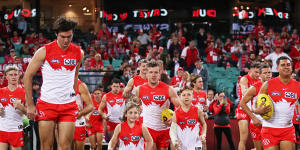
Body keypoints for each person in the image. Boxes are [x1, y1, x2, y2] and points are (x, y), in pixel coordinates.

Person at [24, 18, 84, 150]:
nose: (66, 40)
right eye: (63, 37)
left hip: (68, 106)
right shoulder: (44, 51)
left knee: (66, 147)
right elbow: (27, 76)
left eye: (69, 36)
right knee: (46, 146)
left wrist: (73, 95)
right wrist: (29, 105)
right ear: (56, 34)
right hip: (47, 104)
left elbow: (75, 75)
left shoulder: (79, 53)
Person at [136, 60, 181, 150]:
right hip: (148, 128)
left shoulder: (168, 89)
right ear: (147, 73)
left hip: (164, 129)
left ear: (160, 73)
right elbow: (135, 108)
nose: (153, 75)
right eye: (151, 72)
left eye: (156, 72)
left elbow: (181, 107)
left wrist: (174, 117)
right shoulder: (139, 89)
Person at [257, 56, 300, 149]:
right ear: (277, 68)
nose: (286, 67)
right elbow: (256, 106)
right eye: (283, 65)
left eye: (288, 65)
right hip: (269, 130)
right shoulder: (268, 84)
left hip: (287, 130)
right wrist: (257, 110)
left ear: (292, 67)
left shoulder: (298, 86)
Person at [240, 64, 272, 150]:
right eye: (265, 73)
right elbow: (242, 103)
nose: (268, 74)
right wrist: (254, 118)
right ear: (260, 75)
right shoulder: (255, 87)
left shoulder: (275, 85)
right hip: (258, 123)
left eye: (269, 72)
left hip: (271, 123)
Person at [169, 86, 207, 150]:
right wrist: (175, 141)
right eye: (183, 95)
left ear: (192, 96)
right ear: (180, 97)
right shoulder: (176, 113)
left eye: (189, 95)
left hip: (196, 144)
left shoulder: (198, 111)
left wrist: (203, 135)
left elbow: (204, 124)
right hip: (182, 145)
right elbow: (172, 130)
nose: (186, 97)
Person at [0, 65, 26, 150]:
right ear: (6, 76)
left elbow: (32, 114)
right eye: (11, 75)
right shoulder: (1, 91)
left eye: (15, 74)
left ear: (19, 75)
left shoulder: (24, 92)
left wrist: (21, 107)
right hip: (2, 129)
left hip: (16, 129)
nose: (13, 77)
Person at [236, 62, 260, 150]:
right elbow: (244, 93)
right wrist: (254, 90)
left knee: (257, 137)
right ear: (250, 70)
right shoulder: (244, 79)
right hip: (243, 109)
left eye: (259, 72)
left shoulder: (259, 80)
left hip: (254, 109)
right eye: (256, 72)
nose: (258, 74)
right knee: (243, 138)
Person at [73, 80, 93, 150]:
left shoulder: (81, 85)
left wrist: (80, 114)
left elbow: (90, 106)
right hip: (65, 121)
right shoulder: (61, 82)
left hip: (78, 122)